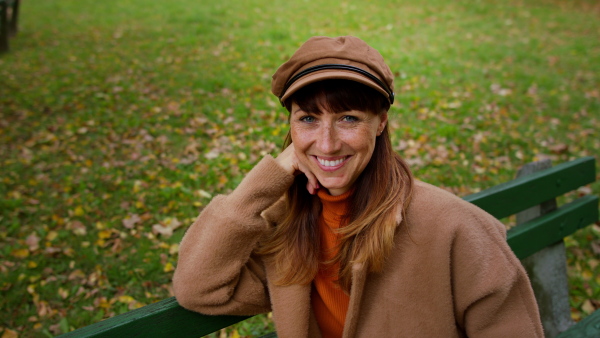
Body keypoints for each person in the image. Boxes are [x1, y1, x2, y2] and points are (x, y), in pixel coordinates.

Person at [173, 36, 543, 337]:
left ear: (380, 123)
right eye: (308, 119)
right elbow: (199, 288)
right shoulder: (284, 225)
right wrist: (265, 181)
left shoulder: (454, 228)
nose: (328, 143)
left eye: (349, 118)